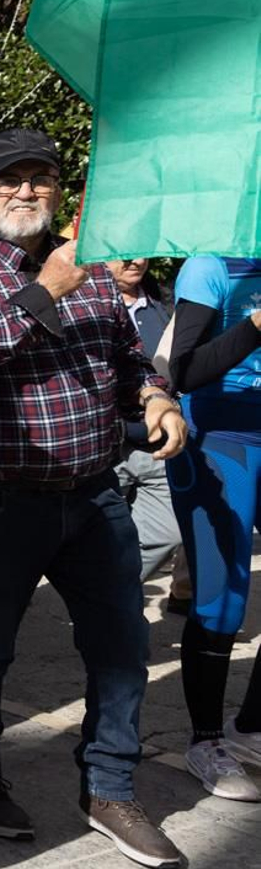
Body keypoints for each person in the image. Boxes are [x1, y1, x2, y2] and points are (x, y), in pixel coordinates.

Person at [0, 127, 187, 869]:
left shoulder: (91, 262)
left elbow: (127, 356)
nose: (26, 190)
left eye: (41, 177)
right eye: (9, 179)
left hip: (95, 494)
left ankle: (109, 787)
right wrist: (45, 292)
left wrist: (155, 396)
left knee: (122, 646)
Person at [164, 255, 261, 801]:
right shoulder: (211, 265)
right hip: (221, 440)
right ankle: (205, 742)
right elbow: (184, 371)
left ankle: (251, 728)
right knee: (223, 595)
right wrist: (256, 325)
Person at [103, 258, 183, 584]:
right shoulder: (81, 305)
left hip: (155, 445)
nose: (135, 260)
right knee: (90, 534)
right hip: (106, 446)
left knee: (168, 532)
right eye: (123, 253)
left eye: (140, 252)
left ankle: (112, 589)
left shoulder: (162, 305)